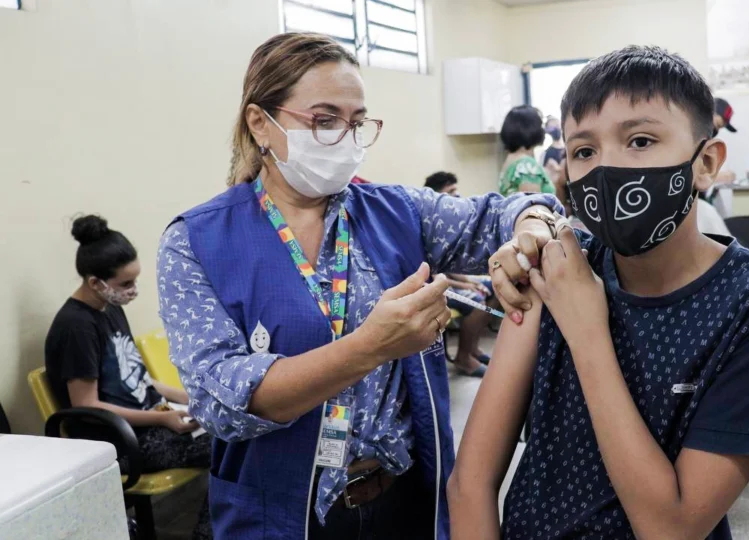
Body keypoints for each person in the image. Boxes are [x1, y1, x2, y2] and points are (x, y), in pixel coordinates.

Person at [158, 33, 559, 539]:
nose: (346, 141)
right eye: (324, 121)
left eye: (357, 123)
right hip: (286, 514)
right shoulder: (197, 242)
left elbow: (498, 215)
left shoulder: (394, 212)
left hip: (397, 496)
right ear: (261, 123)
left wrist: (533, 227)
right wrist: (370, 347)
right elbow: (224, 405)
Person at [450, 45, 749, 540]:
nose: (608, 169)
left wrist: (587, 331)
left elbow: (672, 529)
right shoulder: (554, 266)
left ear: (705, 162)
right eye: (583, 151)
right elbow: (470, 483)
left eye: (640, 141)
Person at [45, 215, 211, 539]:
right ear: (95, 282)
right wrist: (161, 420)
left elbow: (139, 379)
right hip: (122, 443)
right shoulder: (76, 328)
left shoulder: (109, 308)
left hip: (151, 424)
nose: (133, 291)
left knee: (232, 425)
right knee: (231, 443)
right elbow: (88, 404)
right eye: (125, 284)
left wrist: (191, 398)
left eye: (134, 281)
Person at [423, 171, 494, 377]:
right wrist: (468, 287)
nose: (457, 195)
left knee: (494, 289)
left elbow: (452, 266)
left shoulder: (451, 221)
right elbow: (437, 272)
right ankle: (463, 358)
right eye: (451, 191)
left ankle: (472, 348)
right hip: (437, 284)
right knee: (478, 301)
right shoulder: (429, 223)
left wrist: (471, 282)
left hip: (451, 280)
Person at [498, 105, 555, 196]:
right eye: (540, 125)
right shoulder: (527, 165)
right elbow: (533, 207)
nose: (543, 130)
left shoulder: (511, 159)